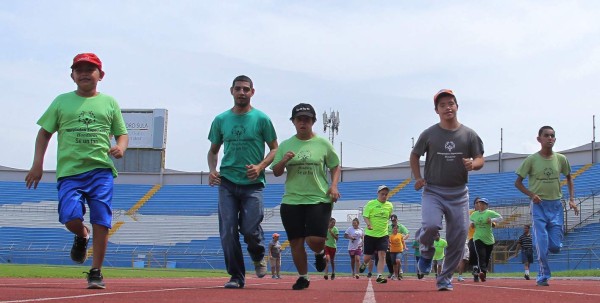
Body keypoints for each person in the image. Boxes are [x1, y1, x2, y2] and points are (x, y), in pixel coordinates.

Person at [25, 53, 129, 289]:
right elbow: (44, 133)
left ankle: (96, 271)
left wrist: (120, 147)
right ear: (72, 75)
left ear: (100, 75)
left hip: (101, 171)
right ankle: (82, 234)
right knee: (70, 217)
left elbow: (122, 133)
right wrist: (37, 164)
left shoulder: (109, 102)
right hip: (70, 172)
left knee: (102, 220)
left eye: (90, 69)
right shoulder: (61, 101)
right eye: (79, 69)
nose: (84, 73)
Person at [207, 75, 279, 289]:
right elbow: (213, 151)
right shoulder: (221, 120)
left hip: (253, 183)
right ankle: (236, 276)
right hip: (227, 181)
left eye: (246, 89)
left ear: (252, 92)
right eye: (238, 89)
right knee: (228, 230)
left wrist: (260, 166)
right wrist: (212, 170)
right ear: (231, 91)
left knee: (249, 229)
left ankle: (258, 255)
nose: (242, 92)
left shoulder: (261, 119)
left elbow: (275, 148)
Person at [410, 89, 485, 291]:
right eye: (442, 105)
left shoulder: (469, 135)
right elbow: (415, 155)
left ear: (457, 106)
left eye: (451, 103)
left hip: (459, 194)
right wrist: (418, 177)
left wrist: (473, 164)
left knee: (459, 238)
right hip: (433, 191)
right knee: (432, 225)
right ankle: (426, 250)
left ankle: (445, 278)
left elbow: (480, 158)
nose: (447, 107)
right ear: (437, 110)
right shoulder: (429, 134)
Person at [271, 103, 341, 290]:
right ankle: (303, 277)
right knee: (296, 241)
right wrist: (284, 159)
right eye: (299, 119)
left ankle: (319, 253)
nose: (303, 122)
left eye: (307, 119)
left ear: (313, 121)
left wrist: (333, 186)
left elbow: (335, 165)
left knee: (315, 240)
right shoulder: (286, 144)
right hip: (292, 199)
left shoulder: (323, 143)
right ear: (293, 121)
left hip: (318, 198)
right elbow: (276, 171)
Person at [514, 126, 579, 287]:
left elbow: (569, 178)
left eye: (552, 136)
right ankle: (543, 275)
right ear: (539, 139)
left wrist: (572, 199)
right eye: (546, 135)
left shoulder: (561, 159)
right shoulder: (531, 160)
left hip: (556, 206)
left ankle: (554, 246)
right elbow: (518, 182)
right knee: (541, 245)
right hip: (539, 207)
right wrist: (531, 195)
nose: (550, 138)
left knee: (555, 247)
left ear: (555, 139)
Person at [358, 185, 394, 284]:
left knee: (382, 255)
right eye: (382, 194)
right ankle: (364, 264)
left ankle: (379, 276)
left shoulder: (390, 205)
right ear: (378, 193)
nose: (384, 196)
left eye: (386, 194)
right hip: (370, 235)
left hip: (383, 235)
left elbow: (388, 217)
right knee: (367, 257)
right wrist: (369, 224)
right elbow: (365, 216)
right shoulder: (371, 204)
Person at [470, 197, 503, 282]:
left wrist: (491, 220)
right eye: (479, 203)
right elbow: (470, 220)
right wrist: (472, 224)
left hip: (489, 239)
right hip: (478, 237)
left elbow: (500, 218)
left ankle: (483, 274)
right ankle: (482, 272)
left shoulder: (490, 212)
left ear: (486, 205)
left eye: (483, 203)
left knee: (486, 257)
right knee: (481, 255)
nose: (480, 205)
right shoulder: (474, 214)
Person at [386, 214, 409, 279]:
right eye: (392, 221)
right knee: (388, 259)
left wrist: (402, 240)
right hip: (390, 245)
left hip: (398, 246)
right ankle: (392, 272)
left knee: (397, 260)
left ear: (397, 220)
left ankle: (399, 271)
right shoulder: (388, 226)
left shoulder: (401, 226)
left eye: (395, 220)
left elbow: (407, 233)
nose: (394, 222)